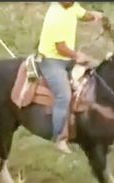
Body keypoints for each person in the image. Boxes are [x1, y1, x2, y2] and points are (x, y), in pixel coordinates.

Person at [37, 2, 105, 154]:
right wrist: (77, 56)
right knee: (63, 96)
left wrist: (95, 15)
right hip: (52, 61)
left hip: (67, 60)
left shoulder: (71, 5)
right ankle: (59, 137)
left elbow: (82, 14)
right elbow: (60, 48)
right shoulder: (55, 14)